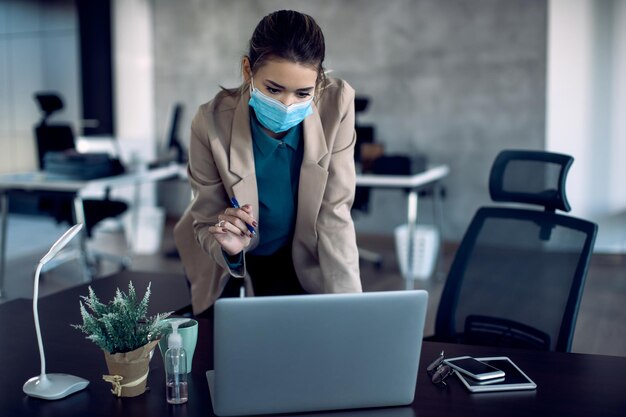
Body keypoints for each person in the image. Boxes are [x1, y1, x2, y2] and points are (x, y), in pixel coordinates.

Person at [174, 10, 362, 317]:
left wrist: (354, 309)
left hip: (299, 249)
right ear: (247, 70)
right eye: (273, 89)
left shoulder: (337, 104)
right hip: (227, 259)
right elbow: (206, 219)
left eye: (303, 93)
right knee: (223, 349)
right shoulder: (209, 124)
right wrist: (229, 247)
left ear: (320, 80)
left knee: (302, 341)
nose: (287, 105)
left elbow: (334, 213)